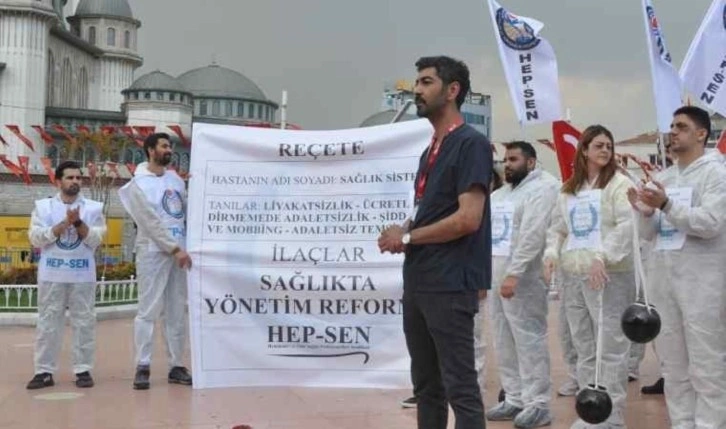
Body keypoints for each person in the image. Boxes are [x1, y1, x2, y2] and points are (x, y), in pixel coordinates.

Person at [378, 55, 492, 429]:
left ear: (452, 90)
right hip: (420, 280)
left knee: (461, 389)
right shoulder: (430, 151)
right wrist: (402, 230)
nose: (417, 90)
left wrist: (409, 236)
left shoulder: (471, 144)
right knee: (427, 388)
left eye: (426, 82)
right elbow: (428, 211)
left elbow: (468, 218)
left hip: (450, 284)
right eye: (417, 83)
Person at [628, 106, 726, 428]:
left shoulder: (716, 174)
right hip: (664, 281)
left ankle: (710, 424)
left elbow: (711, 223)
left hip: (702, 283)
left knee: (707, 363)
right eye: (672, 126)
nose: (673, 131)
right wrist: (643, 213)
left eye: (681, 126)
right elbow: (648, 235)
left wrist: (667, 205)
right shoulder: (664, 179)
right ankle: (683, 422)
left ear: (701, 134)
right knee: (672, 364)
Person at [544, 125, 635, 429]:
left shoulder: (619, 184)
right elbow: (558, 228)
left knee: (610, 348)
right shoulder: (570, 189)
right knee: (583, 346)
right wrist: (551, 254)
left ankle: (612, 416)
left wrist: (602, 256)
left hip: (609, 275)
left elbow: (627, 225)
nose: (605, 150)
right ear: (584, 150)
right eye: (599, 145)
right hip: (574, 276)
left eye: (609, 145)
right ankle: (591, 412)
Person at [485, 141, 559, 428]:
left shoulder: (543, 188)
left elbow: (533, 234)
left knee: (529, 340)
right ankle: (514, 397)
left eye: (513, 159)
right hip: (495, 276)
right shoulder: (500, 195)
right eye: (505, 159)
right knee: (503, 338)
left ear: (530, 162)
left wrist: (514, 273)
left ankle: (537, 403)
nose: (507, 164)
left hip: (524, 280)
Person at [119, 133, 193, 390]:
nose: (169, 149)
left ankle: (176, 365)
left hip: (179, 254)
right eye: (163, 146)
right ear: (150, 150)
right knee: (148, 310)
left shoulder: (177, 181)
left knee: (176, 310)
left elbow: (185, 213)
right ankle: (143, 365)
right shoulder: (137, 185)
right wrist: (173, 248)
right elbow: (149, 222)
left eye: (170, 146)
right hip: (153, 253)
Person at [26, 160, 106, 389]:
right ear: (58, 181)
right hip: (52, 274)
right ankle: (43, 371)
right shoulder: (43, 207)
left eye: (78, 177)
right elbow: (35, 238)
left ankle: (83, 370)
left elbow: (96, 239)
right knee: (48, 323)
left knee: (84, 322)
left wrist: (78, 222)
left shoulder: (93, 208)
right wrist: (62, 224)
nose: (75, 181)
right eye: (70, 177)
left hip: (82, 274)